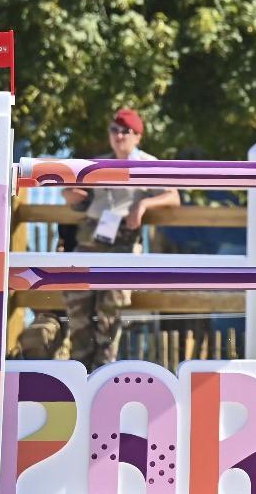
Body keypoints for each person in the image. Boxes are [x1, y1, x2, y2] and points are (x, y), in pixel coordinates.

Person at [58, 108, 179, 371]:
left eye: (125, 131)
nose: (119, 136)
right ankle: (79, 371)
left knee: (109, 313)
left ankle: (103, 372)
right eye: (114, 130)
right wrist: (71, 194)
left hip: (122, 244)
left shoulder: (148, 163)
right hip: (90, 241)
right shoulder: (98, 163)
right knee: (77, 307)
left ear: (138, 137)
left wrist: (144, 204)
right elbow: (74, 196)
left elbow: (173, 196)